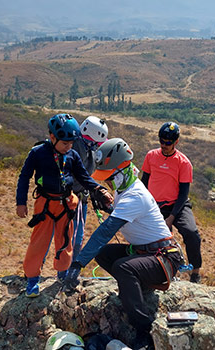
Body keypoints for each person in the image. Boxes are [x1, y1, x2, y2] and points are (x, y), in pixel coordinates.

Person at [62, 138, 185, 350]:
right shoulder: (124, 189)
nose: (108, 184)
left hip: (164, 257)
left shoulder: (135, 195)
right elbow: (123, 217)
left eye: (109, 179)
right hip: (146, 252)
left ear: (121, 171)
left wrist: (78, 263)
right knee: (105, 254)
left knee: (122, 267)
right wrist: (109, 207)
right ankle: (136, 288)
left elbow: (105, 232)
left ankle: (143, 328)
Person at [15, 113, 113, 298]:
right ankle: (33, 279)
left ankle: (62, 275)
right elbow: (24, 177)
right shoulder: (38, 153)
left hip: (66, 204)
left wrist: (99, 190)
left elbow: (84, 177)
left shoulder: (72, 154)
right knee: (39, 242)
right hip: (45, 203)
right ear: (52, 137)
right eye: (65, 143)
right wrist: (21, 203)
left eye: (71, 143)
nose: (69, 147)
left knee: (65, 242)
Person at [141, 122, 202, 283]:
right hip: (155, 205)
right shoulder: (151, 156)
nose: (164, 145)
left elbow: (183, 194)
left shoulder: (183, 163)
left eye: (168, 142)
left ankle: (195, 272)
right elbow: (144, 182)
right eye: (161, 141)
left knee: (192, 234)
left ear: (176, 142)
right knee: (151, 238)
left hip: (177, 205)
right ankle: (156, 270)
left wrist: (171, 217)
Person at [71, 116, 108, 261]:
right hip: (70, 196)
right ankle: (66, 271)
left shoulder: (89, 148)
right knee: (69, 237)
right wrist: (96, 188)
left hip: (81, 196)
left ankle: (71, 268)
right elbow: (80, 175)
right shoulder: (75, 148)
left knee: (77, 237)